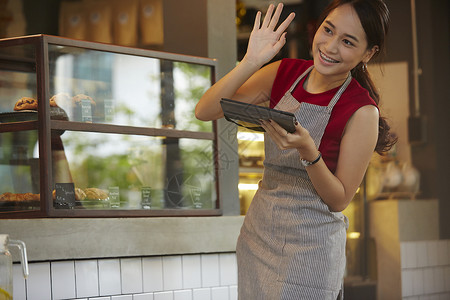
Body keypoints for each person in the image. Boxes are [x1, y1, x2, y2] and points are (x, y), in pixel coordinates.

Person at [196, 0, 396, 298]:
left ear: (368, 53)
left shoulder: (362, 110)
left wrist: (308, 152)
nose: (329, 46)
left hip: (311, 248)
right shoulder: (284, 72)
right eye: (328, 30)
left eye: (347, 42)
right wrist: (251, 60)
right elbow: (206, 110)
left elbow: (339, 199)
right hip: (259, 236)